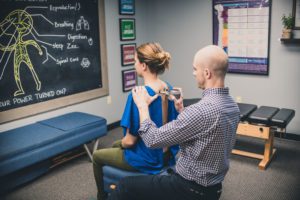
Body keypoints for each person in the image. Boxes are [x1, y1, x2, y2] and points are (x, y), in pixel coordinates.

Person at [108, 45, 240, 200]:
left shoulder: (201, 110)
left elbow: (153, 139)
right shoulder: (232, 106)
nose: (193, 73)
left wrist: (143, 106)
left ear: (206, 73)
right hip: (213, 189)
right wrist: (182, 111)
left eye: (195, 69)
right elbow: (205, 132)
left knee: (124, 186)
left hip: (188, 188)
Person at [92, 42, 179, 200]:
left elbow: (130, 141)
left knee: (98, 156)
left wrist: (123, 142)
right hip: (166, 153)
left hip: (149, 159)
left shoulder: (138, 95)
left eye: (135, 61)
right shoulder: (167, 87)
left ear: (144, 65)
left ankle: (102, 196)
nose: (134, 64)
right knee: (116, 144)